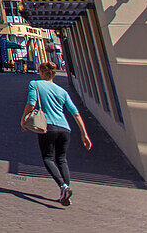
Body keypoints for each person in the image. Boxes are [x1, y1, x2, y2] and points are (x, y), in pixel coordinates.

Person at [22, 62, 92, 206]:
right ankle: (65, 192)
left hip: (47, 127)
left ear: (41, 72)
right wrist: (84, 134)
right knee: (62, 159)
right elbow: (75, 113)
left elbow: (31, 103)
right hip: (65, 129)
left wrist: (23, 119)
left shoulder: (35, 84)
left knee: (48, 158)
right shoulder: (62, 91)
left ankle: (63, 186)